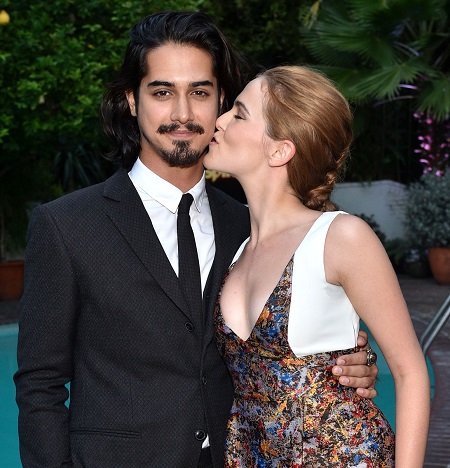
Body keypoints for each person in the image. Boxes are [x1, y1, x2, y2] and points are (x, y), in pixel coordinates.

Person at [14, 12, 378, 468]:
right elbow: (39, 383)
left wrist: (347, 363)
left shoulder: (249, 228)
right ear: (131, 100)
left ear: (222, 101)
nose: (182, 114)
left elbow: (286, 341)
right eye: (162, 92)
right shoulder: (66, 226)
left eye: (200, 93)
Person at [204, 65, 430, 467]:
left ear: (280, 150)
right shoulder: (234, 247)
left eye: (238, 114)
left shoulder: (341, 236)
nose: (218, 120)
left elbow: (410, 372)